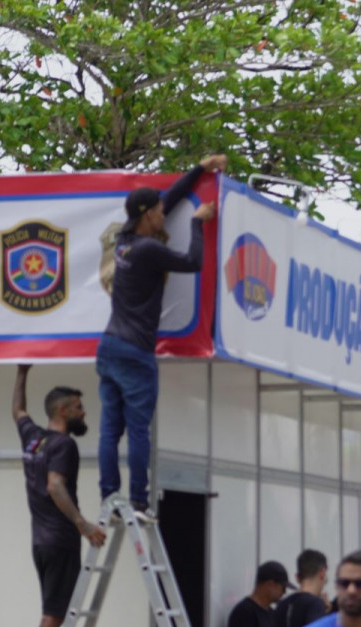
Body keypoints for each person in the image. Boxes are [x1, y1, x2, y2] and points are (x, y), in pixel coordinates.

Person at [96, 155, 226, 517]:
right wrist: (198, 223)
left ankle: (109, 496)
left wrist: (200, 169)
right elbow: (192, 263)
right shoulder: (150, 249)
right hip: (135, 351)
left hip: (109, 348)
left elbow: (169, 198)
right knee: (138, 431)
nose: (163, 214)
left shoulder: (124, 240)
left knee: (110, 429)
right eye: (158, 211)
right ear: (146, 215)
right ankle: (138, 501)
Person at [11, 365, 106, 627]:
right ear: (63, 410)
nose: (83, 413)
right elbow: (55, 485)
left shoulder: (33, 438)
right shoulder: (64, 445)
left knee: (48, 615)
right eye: (79, 407)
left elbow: (18, 411)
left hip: (40, 541)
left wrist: (22, 372)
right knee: (53, 617)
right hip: (60, 540)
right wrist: (83, 524)